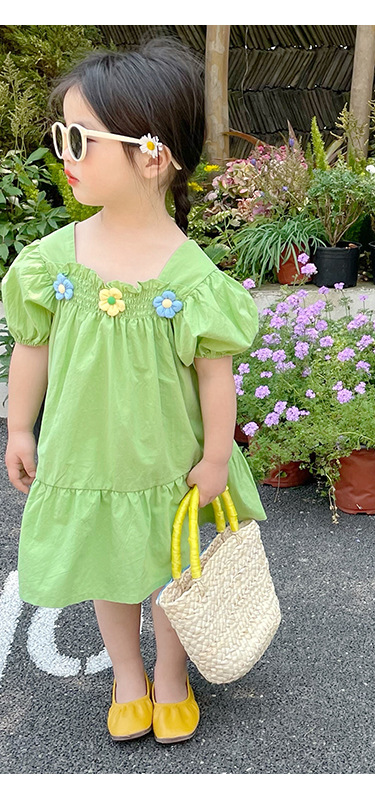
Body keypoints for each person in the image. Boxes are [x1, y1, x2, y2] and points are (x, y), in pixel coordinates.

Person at [1, 38, 266, 744]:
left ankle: (172, 673)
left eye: (80, 140)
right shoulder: (53, 262)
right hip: (88, 458)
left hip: (168, 463)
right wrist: (20, 428)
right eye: (61, 135)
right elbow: (32, 349)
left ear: (152, 156)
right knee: (109, 570)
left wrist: (217, 457)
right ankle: (126, 672)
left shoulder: (190, 276)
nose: (63, 153)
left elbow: (215, 375)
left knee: (175, 571)